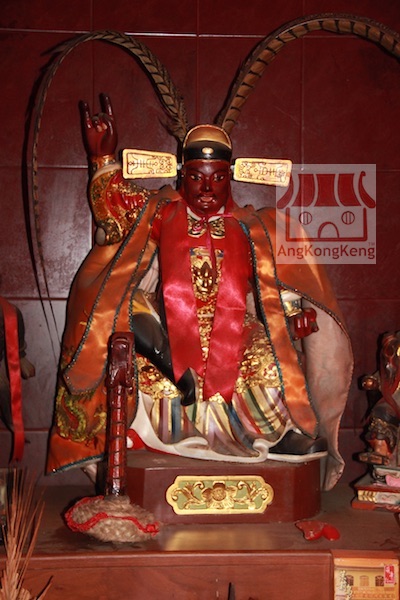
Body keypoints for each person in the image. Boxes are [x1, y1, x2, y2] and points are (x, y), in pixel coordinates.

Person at [47, 95, 353, 490]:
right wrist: (103, 158)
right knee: (121, 304)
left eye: (217, 177)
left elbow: (272, 285)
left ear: (230, 178)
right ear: (182, 176)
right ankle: (168, 395)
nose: (207, 187)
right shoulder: (160, 213)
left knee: (268, 359)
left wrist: (294, 317)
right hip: (167, 333)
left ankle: (274, 434)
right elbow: (116, 208)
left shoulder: (252, 226)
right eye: (196, 177)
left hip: (236, 328)